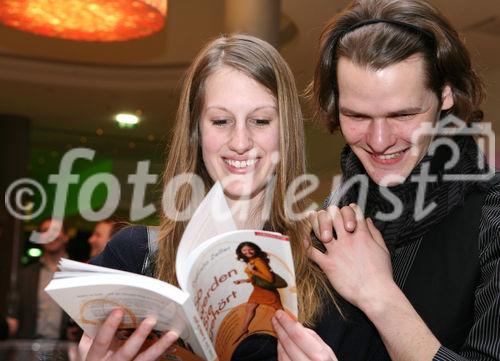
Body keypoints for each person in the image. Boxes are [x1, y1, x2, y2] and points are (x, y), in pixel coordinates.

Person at [79, 34, 338, 361]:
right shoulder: (133, 258)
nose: (240, 141)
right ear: (196, 131)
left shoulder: (329, 268)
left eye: (260, 120)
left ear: (285, 129)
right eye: (220, 121)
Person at [274, 0, 500, 360]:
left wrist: (377, 292)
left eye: (403, 114)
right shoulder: (331, 215)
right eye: (357, 115)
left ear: (445, 95)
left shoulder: (493, 221)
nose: (379, 141)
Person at [14, 218, 72, 340]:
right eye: (45, 231)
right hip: (29, 349)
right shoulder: (26, 275)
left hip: (66, 350)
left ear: (66, 237)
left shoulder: (78, 274)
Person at [233, 242, 284, 343]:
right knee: (250, 308)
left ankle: (286, 329)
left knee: (279, 310)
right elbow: (256, 279)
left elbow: (269, 279)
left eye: (250, 249)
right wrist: (243, 281)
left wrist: (253, 271)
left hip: (266, 291)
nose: (248, 251)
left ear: (255, 249)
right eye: (244, 250)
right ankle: (244, 329)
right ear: (241, 253)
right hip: (257, 289)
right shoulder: (252, 261)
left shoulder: (259, 262)